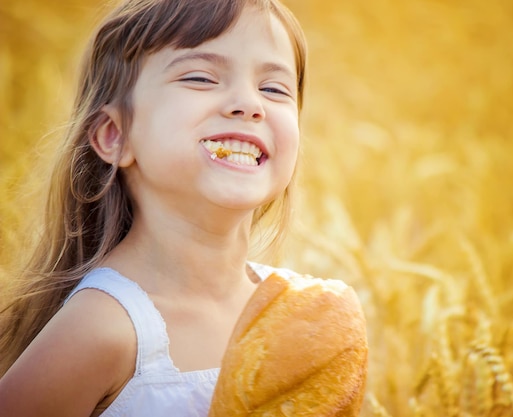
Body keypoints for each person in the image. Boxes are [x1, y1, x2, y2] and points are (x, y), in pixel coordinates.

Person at [0, 0, 308, 415]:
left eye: (273, 88)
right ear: (115, 136)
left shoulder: (298, 315)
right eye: (200, 77)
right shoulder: (102, 327)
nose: (249, 104)